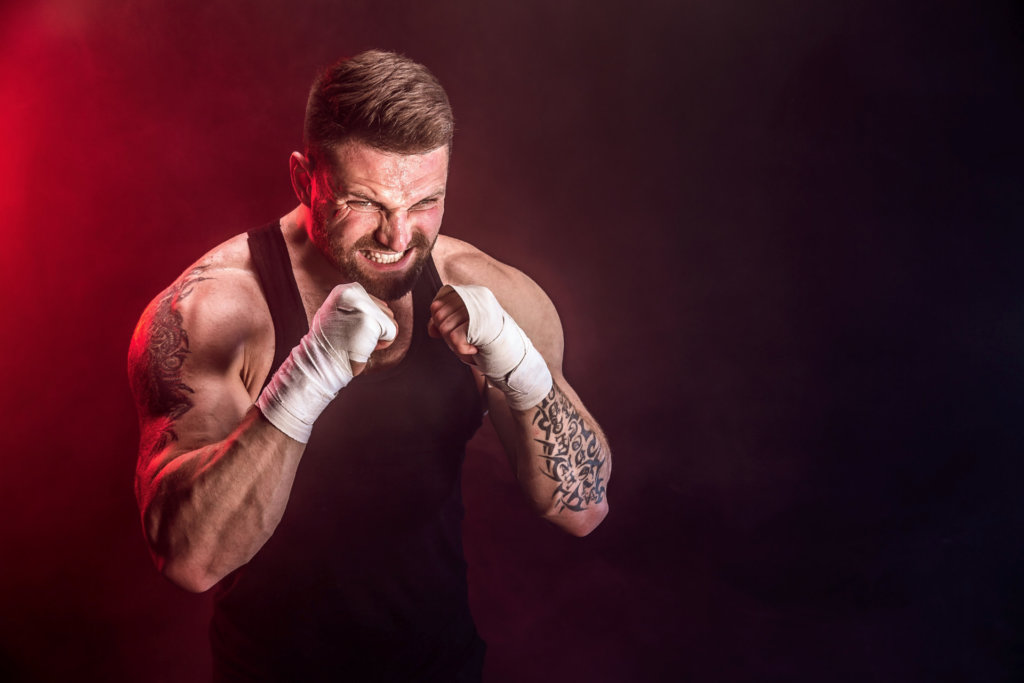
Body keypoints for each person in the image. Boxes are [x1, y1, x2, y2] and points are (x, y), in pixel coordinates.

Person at [127, 49, 611, 682]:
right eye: (366, 203)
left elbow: (584, 506)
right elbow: (190, 559)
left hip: (443, 667)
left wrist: (520, 367)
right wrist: (309, 373)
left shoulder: (491, 291)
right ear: (304, 180)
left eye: (424, 204)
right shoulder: (212, 313)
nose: (397, 237)